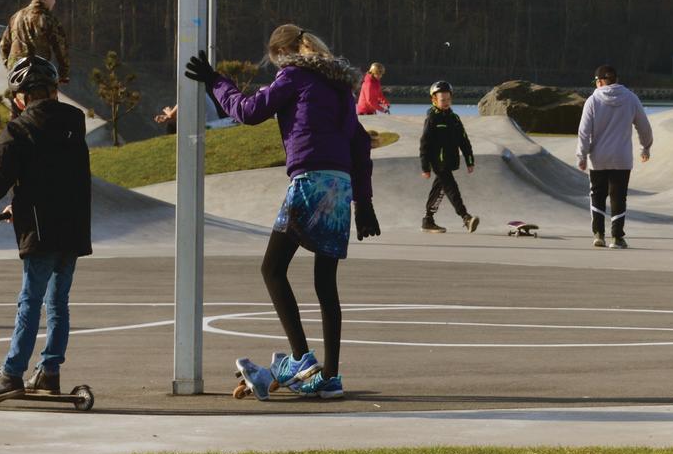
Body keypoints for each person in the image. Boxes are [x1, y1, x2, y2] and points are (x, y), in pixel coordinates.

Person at [188, 24, 377, 400]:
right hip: (340, 186)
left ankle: (302, 359)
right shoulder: (340, 86)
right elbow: (359, 142)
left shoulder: (293, 76)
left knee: (272, 269)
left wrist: (214, 81)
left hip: (310, 182)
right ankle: (331, 377)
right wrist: (364, 203)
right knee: (325, 283)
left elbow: (248, 111)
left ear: (280, 53)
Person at [0, 55, 92, 405]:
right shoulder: (74, 121)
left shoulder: (19, 130)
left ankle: (12, 373)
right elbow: (58, 173)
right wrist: (21, 203)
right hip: (73, 228)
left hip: (41, 232)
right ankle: (49, 372)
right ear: (54, 90)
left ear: (21, 97)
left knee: (30, 302)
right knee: (57, 304)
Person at [575, 64, 653, 249]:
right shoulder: (631, 98)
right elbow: (644, 126)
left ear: (600, 82)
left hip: (598, 158)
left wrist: (582, 155)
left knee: (597, 194)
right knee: (619, 196)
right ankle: (617, 238)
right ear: (616, 80)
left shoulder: (593, 101)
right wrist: (645, 147)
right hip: (622, 157)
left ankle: (599, 235)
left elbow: (584, 132)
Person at [418, 79, 478, 234]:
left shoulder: (454, 118)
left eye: (448, 99)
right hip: (438, 162)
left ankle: (428, 220)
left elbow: (464, 141)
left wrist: (469, 161)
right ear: (434, 100)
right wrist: (425, 167)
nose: (446, 103)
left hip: (450, 161)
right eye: (442, 100)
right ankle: (465, 217)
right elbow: (424, 144)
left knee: (439, 189)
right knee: (451, 188)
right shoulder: (432, 119)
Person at [1, 0, 71, 86]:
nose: (54, 2)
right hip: (39, 75)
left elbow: (3, 45)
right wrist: (63, 74)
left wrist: (10, 67)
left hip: (17, 77)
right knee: (48, 96)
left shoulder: (16, 17)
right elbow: (61, 49)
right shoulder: (49, 19)